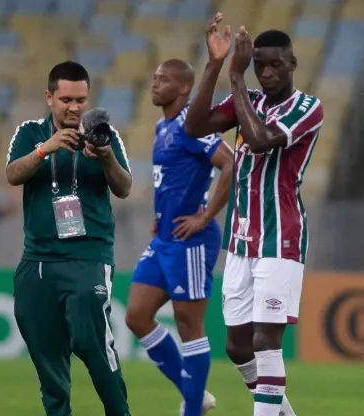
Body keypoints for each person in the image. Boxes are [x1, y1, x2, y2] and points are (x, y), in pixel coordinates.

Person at [185, 13, 325, 416]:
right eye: (258, 64)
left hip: (280, 236)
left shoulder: (307, 108)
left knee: (267, 340)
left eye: (274, 64)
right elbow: (195, 126)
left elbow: (261, 140)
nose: (264, 72)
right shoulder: (252, 99)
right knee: (237, 344)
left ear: (292, 65)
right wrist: (215, 65)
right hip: (242, 237)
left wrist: (235, 79)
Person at [5, 61, 133, 416]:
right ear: (49, 97)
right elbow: (13, 175)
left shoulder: (104, 135)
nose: (74, 108)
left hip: (88, 257)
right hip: (38, 260)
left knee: (93, 345)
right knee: (47, 359)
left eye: (81, 99)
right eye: (65, 99)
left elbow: (124, 188)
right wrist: (47, 148)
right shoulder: (30, 132)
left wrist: (106, 157)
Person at [124, 59, 234, 416]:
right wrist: (161, 216)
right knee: (137, 316)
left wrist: (205, 216)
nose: (155, 84)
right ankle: (195, 395)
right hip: (165, 237)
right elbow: (170, 180)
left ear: (184, 88)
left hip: (191, 241)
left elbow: (230, 164)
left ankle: (191, 409)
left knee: (189, 325)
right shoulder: (162, 126)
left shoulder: (192, 124)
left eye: (163, 79)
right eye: (154, 77)